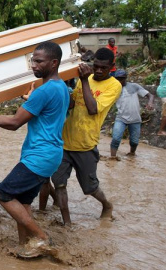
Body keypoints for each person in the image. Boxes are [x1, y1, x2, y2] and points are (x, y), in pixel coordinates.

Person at [0, 41, 69, 258]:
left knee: (3, 193)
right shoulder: (61, 87)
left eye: (39, 61)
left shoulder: (44, 91)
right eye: (32, 61)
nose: (33, 65)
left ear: (54, 62)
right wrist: (31, 100)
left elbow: (13, 123)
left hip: (39, 156)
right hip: (50, 155)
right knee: (23, 202)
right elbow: (46, 109)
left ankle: (42, 238)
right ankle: (25, 246)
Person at [41, 47, 122, 226]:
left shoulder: (114, 86)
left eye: (104, 68)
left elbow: (93, 109)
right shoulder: (85, 78)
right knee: (60, 184)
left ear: (112, 67)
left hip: (85, 144)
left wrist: (84, 80)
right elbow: (72, 105)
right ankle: (67, 223)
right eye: (96, 66)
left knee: (90, 188)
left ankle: (107, 205)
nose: (99, 71)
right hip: (63, 143)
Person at [110, 69, 154, 160]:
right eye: (117, 79)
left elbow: (150, 95)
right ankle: (112, 157)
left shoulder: (134, 86)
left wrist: (150, 103)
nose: (119, 81)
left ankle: (132, 154)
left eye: (121, 79)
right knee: (116, 138)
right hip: (121, 117)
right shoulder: (113, 89)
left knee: (134, 141)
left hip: (135, 119)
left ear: (125, 78)